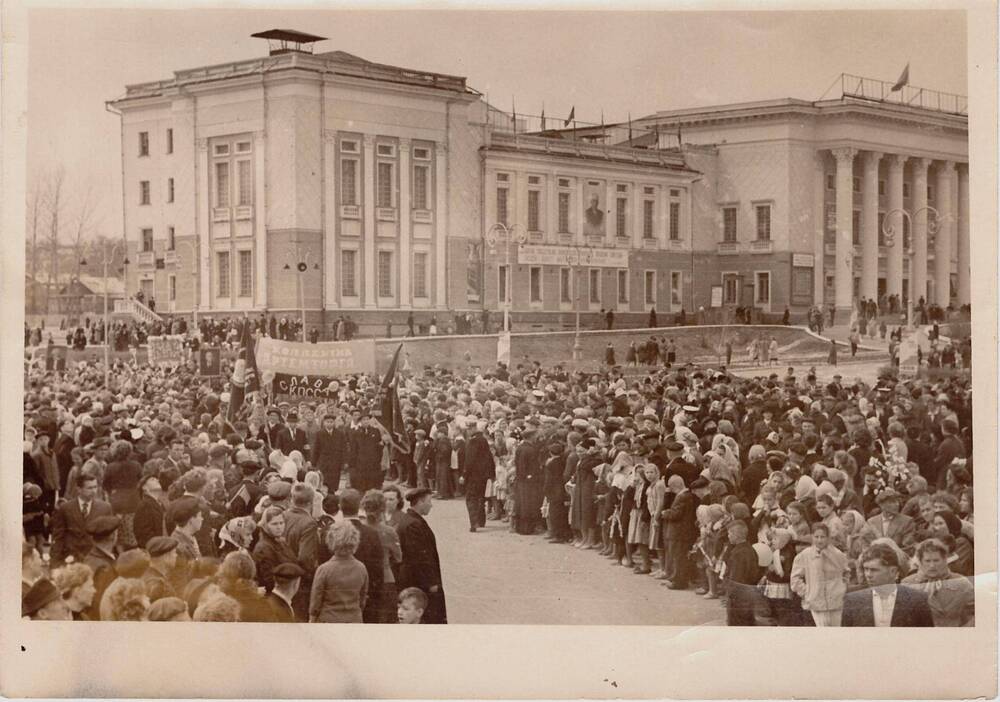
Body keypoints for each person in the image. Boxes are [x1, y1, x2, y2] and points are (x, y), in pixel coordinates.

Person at [842, 543, 934, 627]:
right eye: (866, 569)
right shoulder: (852, 600)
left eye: (874, 570)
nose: (868, 575)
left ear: (893, 571)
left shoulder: (917, 600)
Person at [395, 488, 447, 624]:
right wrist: (431, 583)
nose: (431, 505)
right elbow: (419, 558)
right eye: (429, 501)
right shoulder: (413, 525)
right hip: (419, 582)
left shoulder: (411, 520)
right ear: (420, 502)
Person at [902, 538, 974, 626]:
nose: (932, 565)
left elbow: (975, 616)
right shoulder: (908, 584)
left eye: (936, 560)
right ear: (920, 562)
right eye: (927, 561)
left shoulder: (961, 583)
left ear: (945, 560)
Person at [790, 523, 849, 626]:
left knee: (836, 630)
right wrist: (807, 592)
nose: (820, 540)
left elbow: (846, 572)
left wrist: (842, 587)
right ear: (812, 537)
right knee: (822, 630)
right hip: (816, 600)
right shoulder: (805, 555)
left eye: (823, 537)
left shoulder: (837, 554)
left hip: (836, 600)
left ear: (828, 537)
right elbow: (795, 578)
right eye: (816, 537)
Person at [340, 488, 385, 623]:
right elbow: (378, 568)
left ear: (340, 507)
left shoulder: (330, 531)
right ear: (359, 506)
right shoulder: (371, 534)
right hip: (366, 594)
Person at [310, 521, 369, 623]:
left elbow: (316, 602)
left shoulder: (324, 569)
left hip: (329, 620)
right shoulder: (361, 568)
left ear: (331, 541)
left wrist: (312, 618)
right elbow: (362, 598)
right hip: (354, 619)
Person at [50, 473, 113, 565]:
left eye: (95, 487)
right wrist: (55, 562)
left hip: (95, 558)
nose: (94, 491)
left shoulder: (105, 508)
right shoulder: (65, 508)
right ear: (79, 489)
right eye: (89, 488)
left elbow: (109, 536)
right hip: (72, 558)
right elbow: (58, 536)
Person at [252, 506, 298, 594]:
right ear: (266, 525)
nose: (279, 527)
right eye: (274, 524)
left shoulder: (281, 541)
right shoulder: (263, 548)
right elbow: (269, 580)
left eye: (281, 523)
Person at [463, 421, 495, 532]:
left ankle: (474, 523)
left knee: (471, 499)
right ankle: (481, 521)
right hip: (483, 475)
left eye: (468, 429)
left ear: (471, 428)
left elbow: (469, 460)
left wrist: (464, 475)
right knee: (481, 498)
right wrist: (491, 473)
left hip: (473, 475)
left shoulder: (473, 441)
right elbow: (489, 457)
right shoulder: (483, 440)